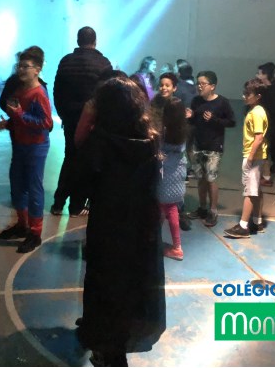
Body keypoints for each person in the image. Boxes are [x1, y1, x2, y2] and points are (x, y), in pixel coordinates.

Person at [76, 77, 165, 366]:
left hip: (108, 226)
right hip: (141, 226)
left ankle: (107, 349)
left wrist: (87, 118)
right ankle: (117, 344)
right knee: (131, 285)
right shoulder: (150, 141)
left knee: (104, 284)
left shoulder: (99, 142)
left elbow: (80, 181)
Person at [0, 46, 53, 253]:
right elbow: (21, 118)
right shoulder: (19, 90)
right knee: (17, 185)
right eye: (19, 66)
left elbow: (46, 123)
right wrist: (10, 123)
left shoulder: (39, 93)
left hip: (35, 147)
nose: (21, 70)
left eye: (26, 66)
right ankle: (22, 224)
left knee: (34, 188)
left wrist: (19, 115)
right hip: (19, 145)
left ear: (37, 69)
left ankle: (35, 233)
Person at [51, 26, 112, 216]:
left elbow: (57, 92)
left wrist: (63, 114)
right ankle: (76, 205)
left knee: (70, 157)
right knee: (86, 162)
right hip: (92, 120)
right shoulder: (103, 63)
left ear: (78, 41)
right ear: (95, 41)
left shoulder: (66, 62)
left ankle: (58, 203)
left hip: (70, 118)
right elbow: (106, 95)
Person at [185, 71, 236, 227]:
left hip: (214, 146)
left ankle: (213, 211)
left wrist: (214, 119)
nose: (199, 86)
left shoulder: (222, 102)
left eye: (203, 84)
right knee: (201, 178)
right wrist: (190, 117)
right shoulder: (196, 101)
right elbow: (194, 122)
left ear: (212, 86)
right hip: (198, 145)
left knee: (211, 178)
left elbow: (232, 122)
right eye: (198, 83)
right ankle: (202, 208)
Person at [224, 78, 268, 239]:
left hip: (253, 156)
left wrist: (250, 157)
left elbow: (259, 138)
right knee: (255, 189)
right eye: (244, 93)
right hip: (257, 156)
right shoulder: (256, 110)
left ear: (258, 96)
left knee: (249, 191)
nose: (244, 96)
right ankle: (257, 221)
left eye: (248, 94)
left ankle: (243, 226)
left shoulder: (256, 112)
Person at [150, 73, 188, 259]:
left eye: (168, 85)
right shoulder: (181, 127)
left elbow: (164, 148)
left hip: (167, 170)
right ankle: (155, 240)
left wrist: (158, 153)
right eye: (162, 84)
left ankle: (176, 247)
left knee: (167, 207)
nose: (163, 88)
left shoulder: (167, 129)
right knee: (166, 207)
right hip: (176, 169)